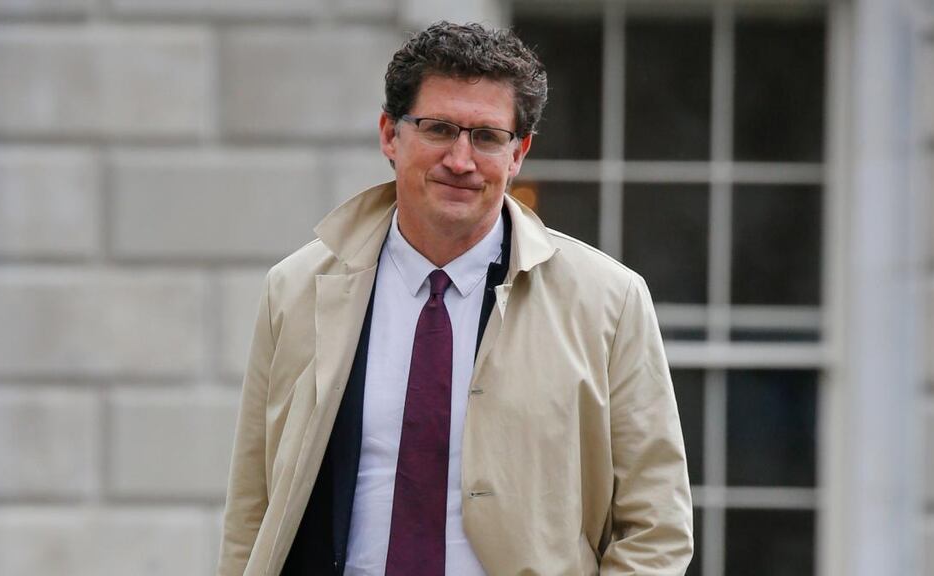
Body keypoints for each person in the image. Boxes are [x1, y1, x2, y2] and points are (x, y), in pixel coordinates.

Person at [217, 21, 693, 576]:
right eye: (439, 129)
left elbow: (656, 526)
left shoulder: (609, 302)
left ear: (518, 153)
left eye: (487, 137)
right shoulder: (295, 289)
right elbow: (252, 510)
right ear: (390, 135)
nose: (461, 161)